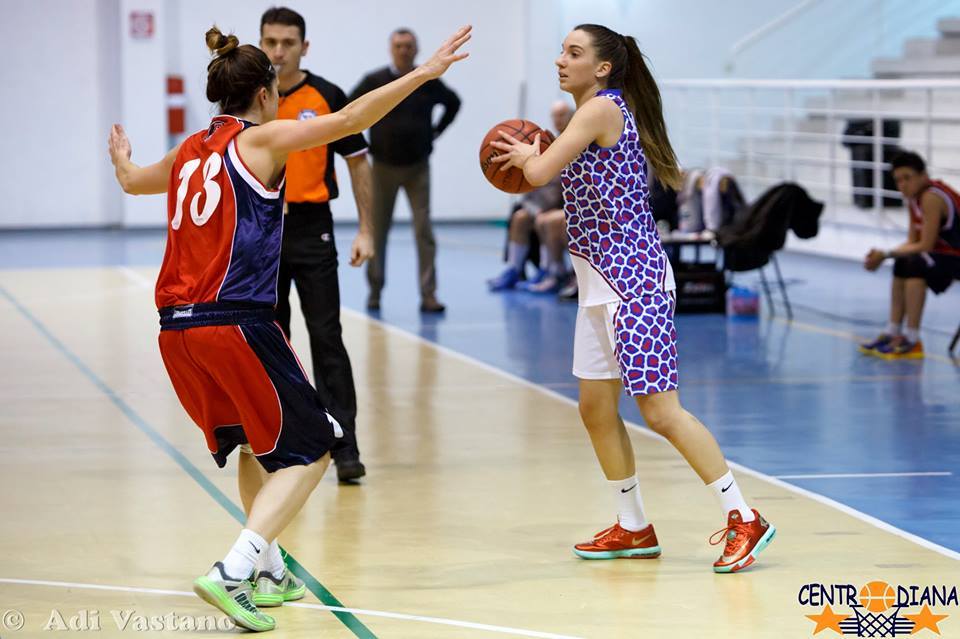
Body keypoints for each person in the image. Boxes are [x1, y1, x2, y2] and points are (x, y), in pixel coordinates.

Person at [108, 25, 470, 630]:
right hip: (236, 321)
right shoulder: (266, 138)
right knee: (317, 444)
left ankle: (270, 570)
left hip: (175, 328)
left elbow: (132, 180)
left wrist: (121, 160)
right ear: (267, 92)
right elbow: (353, 115)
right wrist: (426, 73)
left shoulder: (191, 149)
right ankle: (233, 569)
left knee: (257, 440)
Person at [491, 24, 775, 572]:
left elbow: (540, 172)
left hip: (634, 280)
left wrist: (529, 152)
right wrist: (534, 152)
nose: (560, 60)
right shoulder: (590, 112)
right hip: (600, 282)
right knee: (596, 409)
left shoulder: (600, 109)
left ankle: (745, 516)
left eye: (573, 53)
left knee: (661, 412)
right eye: (561, 50)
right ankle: (633, 526)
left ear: (602, 67)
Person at [259, 7, 371, 482]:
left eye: (288, 42)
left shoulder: (327, 95)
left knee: (327, 335)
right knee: (272, 338)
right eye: (270, 42)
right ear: (260, 44)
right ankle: (284, 440)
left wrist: (366, 229)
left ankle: (345, 444)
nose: (278, 51)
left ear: (304, 47)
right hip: (262, 232)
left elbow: (359, 160)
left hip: (313, 227)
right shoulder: (247, 99)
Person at [350, 28, 462, 313]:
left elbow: (454, 103)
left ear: (417, 49)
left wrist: (435, 132)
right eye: (399, 45)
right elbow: (351, 108)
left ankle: (429, 295)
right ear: (391, 49)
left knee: (423, 231)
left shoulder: (428, 80)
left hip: (417, 168)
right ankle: (375, 291)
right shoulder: (374, 80)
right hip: (383, 168)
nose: (403, 50)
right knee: (378, 231)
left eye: (409, 45)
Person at [860, 151, 960, 359]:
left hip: (955, 256)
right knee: (902, 262)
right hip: (944, 256)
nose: (902, 185)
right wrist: (883, 254)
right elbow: (911, 242)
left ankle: (913, 339)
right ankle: (892, 331)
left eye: (907, 178)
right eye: (898, 180)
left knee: (914, 263)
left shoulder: (931, 197)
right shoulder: (913, 200)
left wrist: (886, 254)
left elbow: (925, 244)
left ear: (923, 175)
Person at [487, 100, 574, 294]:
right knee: (519, 217)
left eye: (562, 115)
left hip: (563, 205)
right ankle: (514, 269)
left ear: (571, 117)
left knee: (545, 219)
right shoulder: (547, 143)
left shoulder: (572, 143)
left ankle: (551, 270)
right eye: (554, 116)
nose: (557, 119)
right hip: (542, 205)